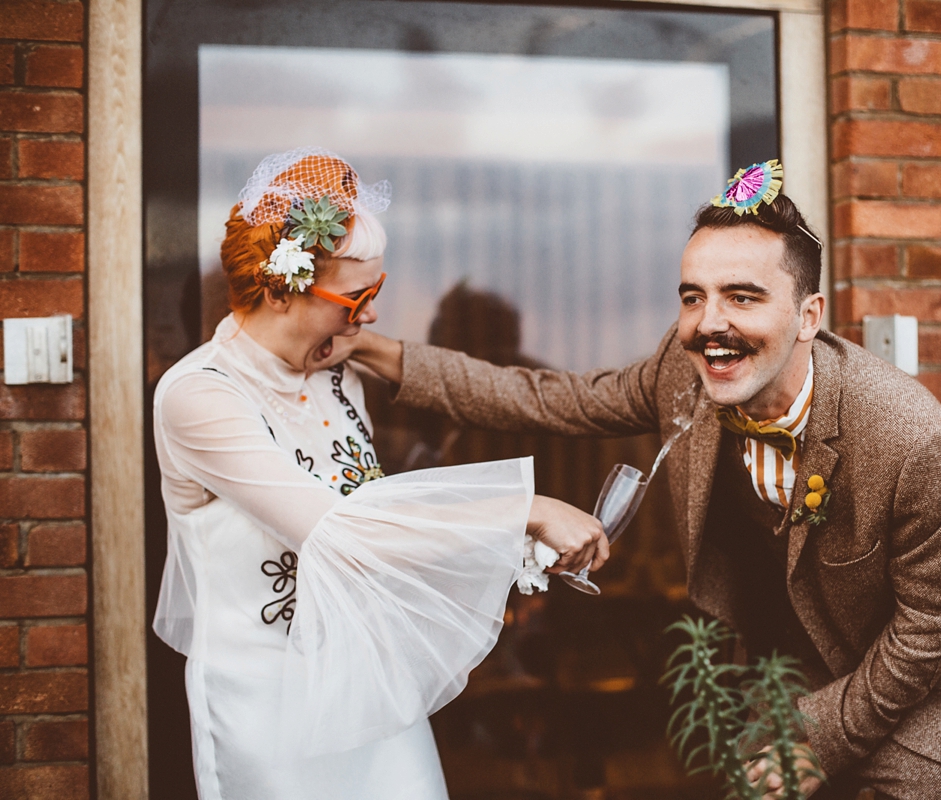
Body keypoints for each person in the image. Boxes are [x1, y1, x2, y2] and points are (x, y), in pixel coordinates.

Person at [346, 160, 941, 799]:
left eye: (743, 297)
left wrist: (821, 743)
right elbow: (550, 397)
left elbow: (936, 624)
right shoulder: (682, 375)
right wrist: (380, 352)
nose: (710, 325)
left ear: (809, 318)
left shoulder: (911, 438)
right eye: (692, 297)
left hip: (931, 697)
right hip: (806, 675)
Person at [151, 147, 608, 800]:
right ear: (283, 285)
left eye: (378, 292)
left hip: (366, 682)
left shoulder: (337, 371)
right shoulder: (199, 396)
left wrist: (353, 337)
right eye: (357, 296)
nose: (370, 314)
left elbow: (386, 501)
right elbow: (343, 532)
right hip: (268, 709)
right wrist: (522, 510)